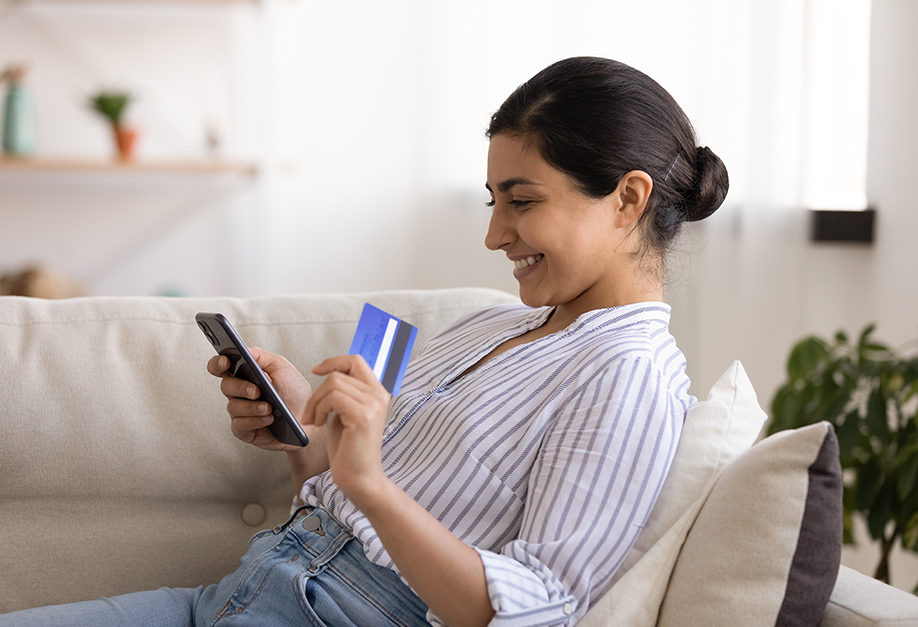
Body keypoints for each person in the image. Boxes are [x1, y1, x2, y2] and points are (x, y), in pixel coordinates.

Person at [0, 56, 727, 627]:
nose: (494, 234)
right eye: (492, 200)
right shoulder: (493, 325)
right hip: (239, 593)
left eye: (522, 200)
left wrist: (368, 483)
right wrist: (304, 442)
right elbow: (347, 498)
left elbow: (535, 607)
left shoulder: (629, 376)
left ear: (628, 199)